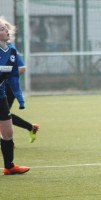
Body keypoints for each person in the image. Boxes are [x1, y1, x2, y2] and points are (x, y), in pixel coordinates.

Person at [0, 16, 30, 174]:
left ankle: (9, 167)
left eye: (6, 28)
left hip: (1, 96)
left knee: (8, 132)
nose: (6, 30)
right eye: (2, 29)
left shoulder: (11, 50)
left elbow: (14, 75)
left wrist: (20, 97)